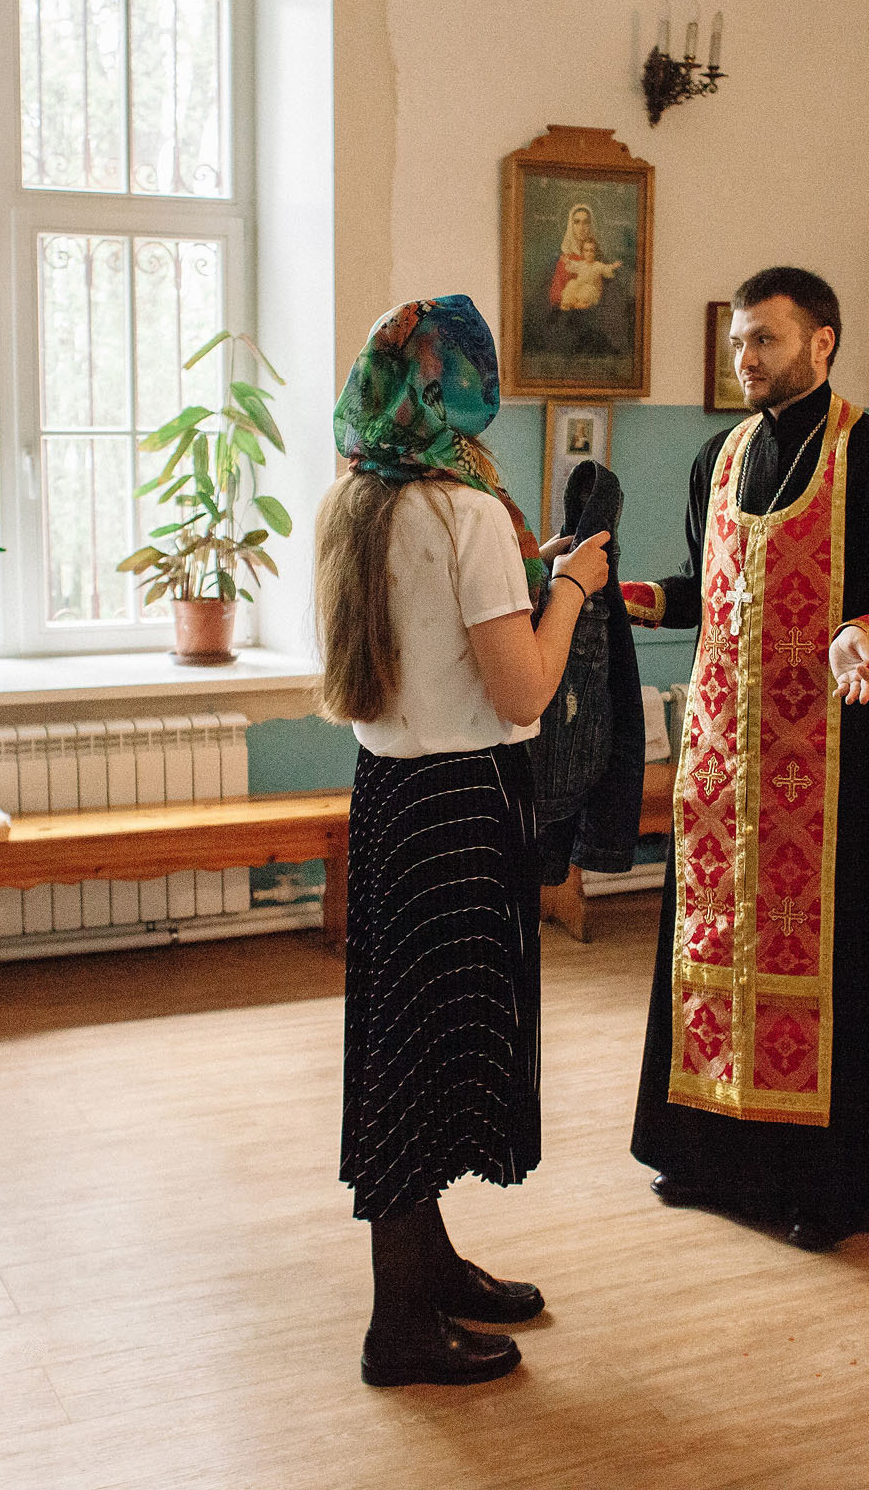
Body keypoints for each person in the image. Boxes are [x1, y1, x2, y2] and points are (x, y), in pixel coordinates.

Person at [617, 266, 869, 1251]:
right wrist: (627, 595)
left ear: (823, 343)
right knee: (709, 951)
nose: (745, 358)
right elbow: (703, 589)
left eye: (763, 339)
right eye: (735, 341)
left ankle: (829, 1184)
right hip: (722, 768)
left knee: (831, 970)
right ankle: (710, 1154)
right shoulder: (715, 460)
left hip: (830, 763)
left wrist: (868, 634)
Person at [316, 294, 612, 1385]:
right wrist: (574, 587)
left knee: (404, 1047)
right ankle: (399, 1326)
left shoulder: (355, 500)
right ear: (458, 391)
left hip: (388, 799)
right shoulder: (467, 516)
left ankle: (428, 1266)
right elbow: (524, 689)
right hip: (457, 802)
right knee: (431, 1056)